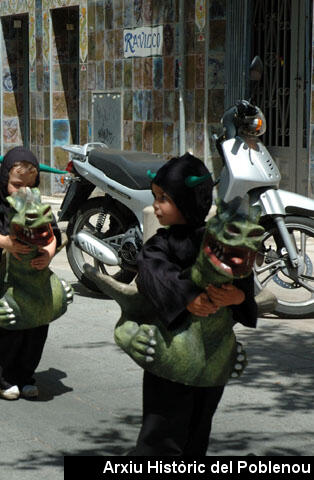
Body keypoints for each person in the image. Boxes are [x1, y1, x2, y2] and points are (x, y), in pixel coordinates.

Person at [132, 153, 257, 456]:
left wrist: (238, 297)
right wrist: (189, 297)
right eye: (155, 197)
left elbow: (241, 276)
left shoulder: (217, 240)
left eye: (163, 198)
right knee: (161, 431)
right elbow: (153, 272)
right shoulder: (160, 243)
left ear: (188, 201)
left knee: (199, 428)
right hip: (171, 354)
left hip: (212, 358)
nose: (156, 206)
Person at [0, 147, 60, 400]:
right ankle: (4, 376)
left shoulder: (39, 208)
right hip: (7, 282)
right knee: (11, 330)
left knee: (36, 330)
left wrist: (49, 253)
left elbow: (54, 233)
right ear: (4, 182)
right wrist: (7, 243)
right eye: (16, 184)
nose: (22, 191)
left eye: (30, 185)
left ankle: (25, 375)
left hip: (35, 283)